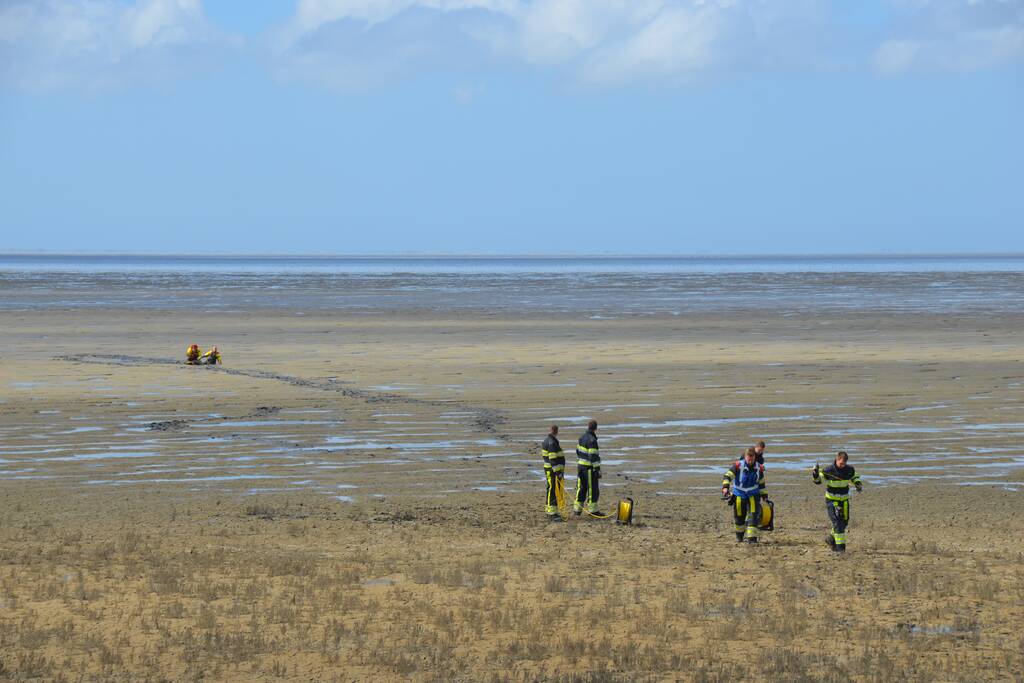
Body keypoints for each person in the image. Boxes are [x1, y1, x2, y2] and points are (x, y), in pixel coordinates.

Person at [812, 451, 862, 553]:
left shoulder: (850, 470)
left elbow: (854, 477)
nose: (842, 466)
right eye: (841, 463)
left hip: (844, 500)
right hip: (832, 500)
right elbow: (818, 481)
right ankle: (840, 549)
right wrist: (815, 474)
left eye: (844, 464)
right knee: (838, 523)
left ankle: (831, 539)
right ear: (837, 460)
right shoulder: (828, 470)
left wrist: (858, 483)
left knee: (844, 522)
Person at [721, 447, 767, 543]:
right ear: (745, 457)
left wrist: (764, 496)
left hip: (753, 496)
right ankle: (739, 537)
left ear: (755, 458)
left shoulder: (759, 468)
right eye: (748, 460)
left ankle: (752, 539)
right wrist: (725, 488)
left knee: (753, 517)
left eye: (752, 460)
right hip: (739, 495)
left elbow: (761, 483)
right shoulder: (738, 465)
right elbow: (727, 476)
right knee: (739, 518)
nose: (750, 462)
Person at [574, 419, 603, 516]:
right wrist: (597, 470)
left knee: (581, 488)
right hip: (589, 468)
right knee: (592, 489)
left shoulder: (581, 437)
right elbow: (593, 456)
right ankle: (593, 511)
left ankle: (577, 510)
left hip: (580, 466)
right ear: (596, 428)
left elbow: (577, 451)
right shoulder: (592, 440)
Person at [541, 425, 565, 522]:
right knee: (552, 490)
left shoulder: (548, 440)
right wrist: (558, 472)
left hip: (550, 470)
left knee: (551, 489)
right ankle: (551, 513)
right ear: (556, 431)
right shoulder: (551, 443)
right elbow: (553, 459)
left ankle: (550, 510)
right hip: (552, 471)